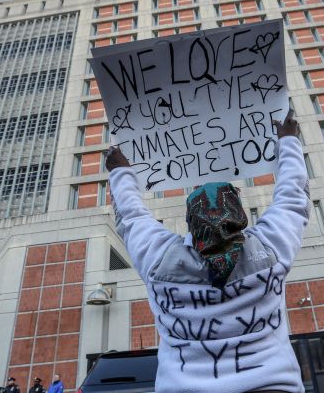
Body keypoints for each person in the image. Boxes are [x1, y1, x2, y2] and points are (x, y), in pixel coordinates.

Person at [106, 110, 309, 393]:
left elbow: (130, 217)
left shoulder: (159, 262)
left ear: (190, 223)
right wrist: (288, 142)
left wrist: (119, 171)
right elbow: (293, 197)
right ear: (239, 216)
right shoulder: (269, 249)